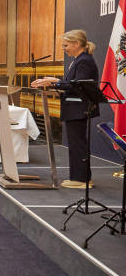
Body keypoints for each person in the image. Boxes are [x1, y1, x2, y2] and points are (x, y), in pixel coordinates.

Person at [31, 30, 100, 189]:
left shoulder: (85, 61)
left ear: (77, 43)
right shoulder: (79, 60)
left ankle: (82, 180)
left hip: (79, 108)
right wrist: (50, 82)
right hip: (74, 108)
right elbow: (73, 83)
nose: (63, 48)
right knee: (76, 144)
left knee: (78, 144)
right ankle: (79, 177)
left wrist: (55, 82)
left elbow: (79, 84)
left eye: (66, 45)